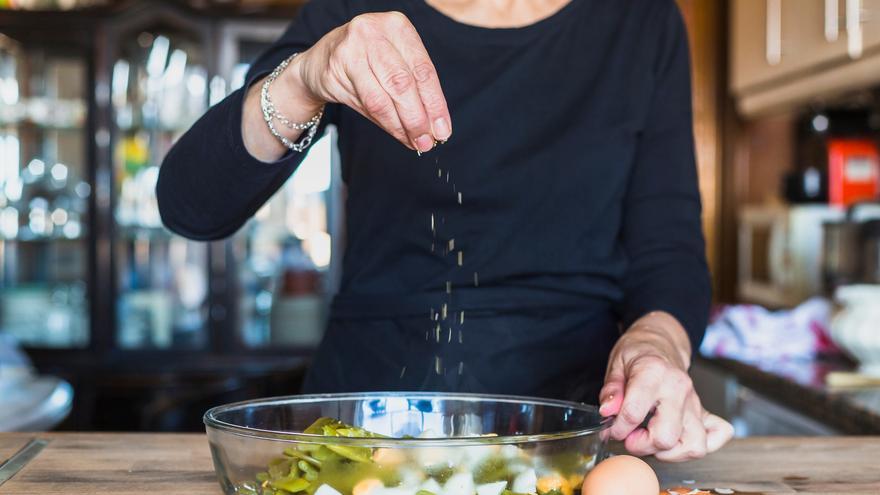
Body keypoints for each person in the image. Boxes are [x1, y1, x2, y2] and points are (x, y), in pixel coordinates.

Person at [157, 0, 734, 461]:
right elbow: (192, 204)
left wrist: (656, 345)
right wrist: (305, 77)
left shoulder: (642, 19)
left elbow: (669, 249)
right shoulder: (359, 10)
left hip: (571, 429)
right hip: (366, 426)